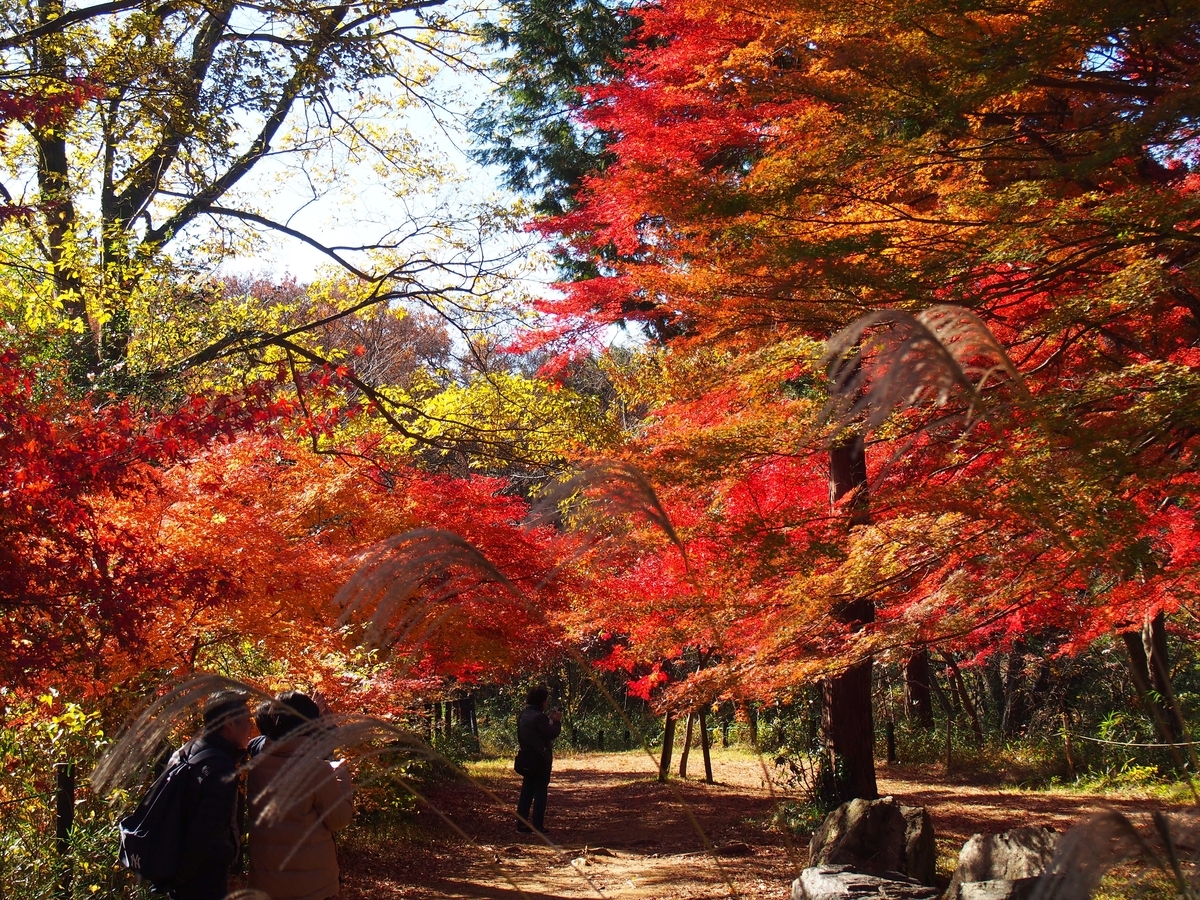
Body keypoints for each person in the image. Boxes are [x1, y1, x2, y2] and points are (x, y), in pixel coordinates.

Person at [248, 691, 353, 900]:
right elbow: (339, 819)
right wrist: (341, 778)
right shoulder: (315, 770)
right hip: (310, 885)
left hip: (266, 880)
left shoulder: (257, 765)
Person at [159, 690, 253, 900]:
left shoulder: (189, 750)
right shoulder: (220, 768)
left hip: (174, 861)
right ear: (229, 722)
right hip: (202, 876)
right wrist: (183, 876)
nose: (250, 726)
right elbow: (205, 831)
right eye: (247, 719)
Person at [515, 686, 561, 835]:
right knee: (540, 791)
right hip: (540, 759)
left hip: (526, 757)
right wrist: (557, 721)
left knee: (527, 790)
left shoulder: (524, 714)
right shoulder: (538, 717)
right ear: (541, 701)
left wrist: (549, 719)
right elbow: (550, 733)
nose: (546, 703)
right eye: (545, 700)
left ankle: (521, 824)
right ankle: (538, 825)